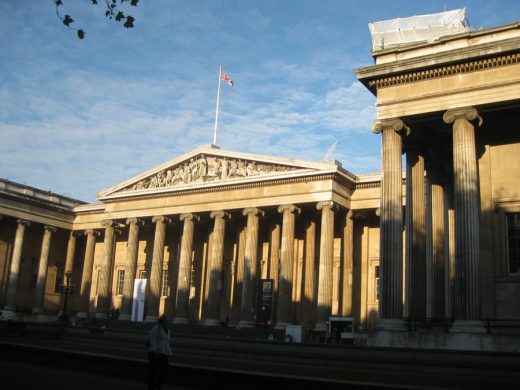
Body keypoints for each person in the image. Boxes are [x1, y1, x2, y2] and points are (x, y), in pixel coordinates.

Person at [147, 315, 173, 390]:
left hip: (163, 352)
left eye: (167, 320)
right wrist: (154, 351)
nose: (167, 321)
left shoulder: (167, 330)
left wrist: (169, 352)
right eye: (166, 320)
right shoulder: (156, 328)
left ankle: (157, 384)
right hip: (155, 353)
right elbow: (152, 340)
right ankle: (151, 387)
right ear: (162, 321)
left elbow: (166, 342)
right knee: (153, 371)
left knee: (165, 369)